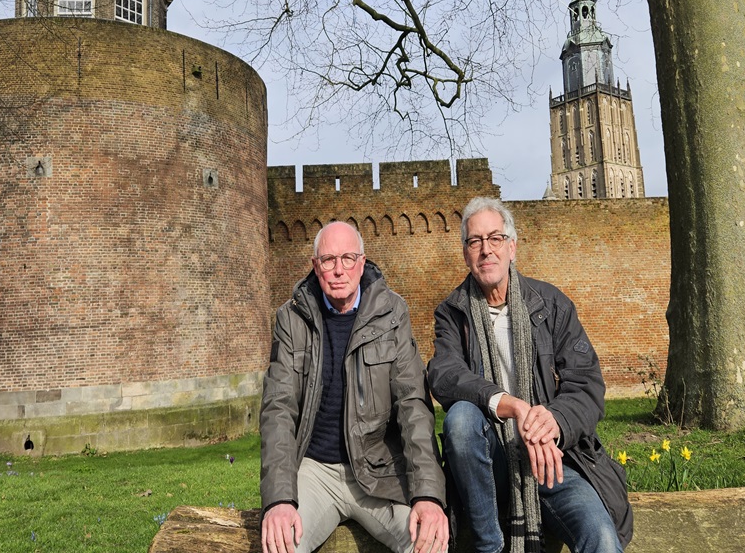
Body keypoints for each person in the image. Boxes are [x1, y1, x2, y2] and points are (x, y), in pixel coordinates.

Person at [427, 197, 633, 553]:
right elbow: (445, 374)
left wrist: (553, 420)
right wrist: (510, 405)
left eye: (495, 239)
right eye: (475, 241)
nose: (485, 250)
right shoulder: (453, 312)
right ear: (465, 253)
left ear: (512, 247)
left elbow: (587, 385)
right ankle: (490, 546)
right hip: (489, 461)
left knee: (600, 537)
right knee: (460, 419)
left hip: (554, 457)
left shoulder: (551, 305)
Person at [260, 221, 448, 553]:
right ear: (315, 267)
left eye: (348, 258)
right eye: (328, 260)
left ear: (362, 263)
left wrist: (428, 495)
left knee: (429, 543)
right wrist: (279, 499)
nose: (338, 270)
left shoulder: (392, 313)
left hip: (379, 472)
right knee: (280, 546)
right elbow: (279, 408)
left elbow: (413, 405)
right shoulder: (291, 318)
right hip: (315, 471)